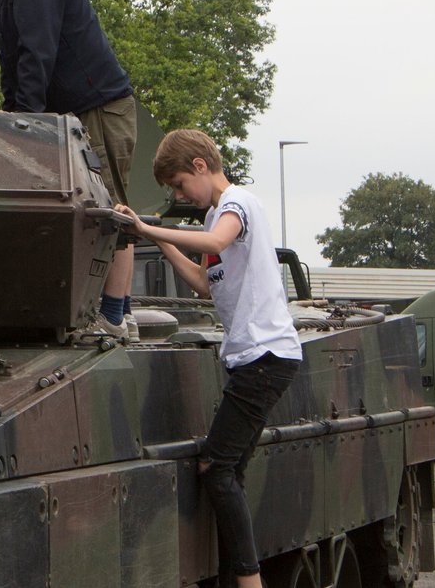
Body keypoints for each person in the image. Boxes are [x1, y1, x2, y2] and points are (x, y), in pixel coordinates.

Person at [114, 130, 300, 588]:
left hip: (264, 354)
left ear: (201, 165)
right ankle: (233, 575)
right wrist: (158, 240)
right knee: (228, 471)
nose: (180, 196)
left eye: (179, 184)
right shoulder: (218, 214)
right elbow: (204, 282)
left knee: (217, 469)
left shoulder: (237, 203)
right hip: (251, 357)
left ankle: (248, 579)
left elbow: (216, 237)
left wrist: (145, 226)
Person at [0, 0, 138, 328]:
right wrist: (11, 113)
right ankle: (103, 309)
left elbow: (36, 53)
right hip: (62, 115)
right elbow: (11, 57)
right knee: (81, 210)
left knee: (109, 210)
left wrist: (26, 120)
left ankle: (116, 315)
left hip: (100, 107)